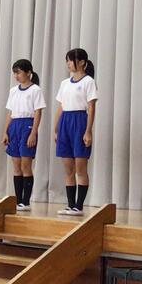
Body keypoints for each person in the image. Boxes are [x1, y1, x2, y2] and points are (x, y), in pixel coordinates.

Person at [54, 48, 97, 216]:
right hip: (65, 122)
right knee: (68, 169)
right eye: (67, 60)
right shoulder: (64, 83)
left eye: (70, 60)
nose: (68, 63)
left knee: (80, 168)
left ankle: (79, 206)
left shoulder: (88, 81)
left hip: (79, 122)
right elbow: (61, 106)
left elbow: (91, 107)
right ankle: (70, 204)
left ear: (81, 62)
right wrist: (56, 128)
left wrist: (88, 131)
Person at [1, 59, 45, 211]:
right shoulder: (13, 91)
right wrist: (5, 131)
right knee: (16, 165)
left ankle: (25, 201)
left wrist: (33, 132)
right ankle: (18, 200)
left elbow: (38, 112)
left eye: (18, 72)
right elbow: (10, 112)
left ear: (28, 72)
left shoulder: (35, 90)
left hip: (27, 125)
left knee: (26, 165)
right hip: (14, 125)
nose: (16, 76)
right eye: (14, 73)